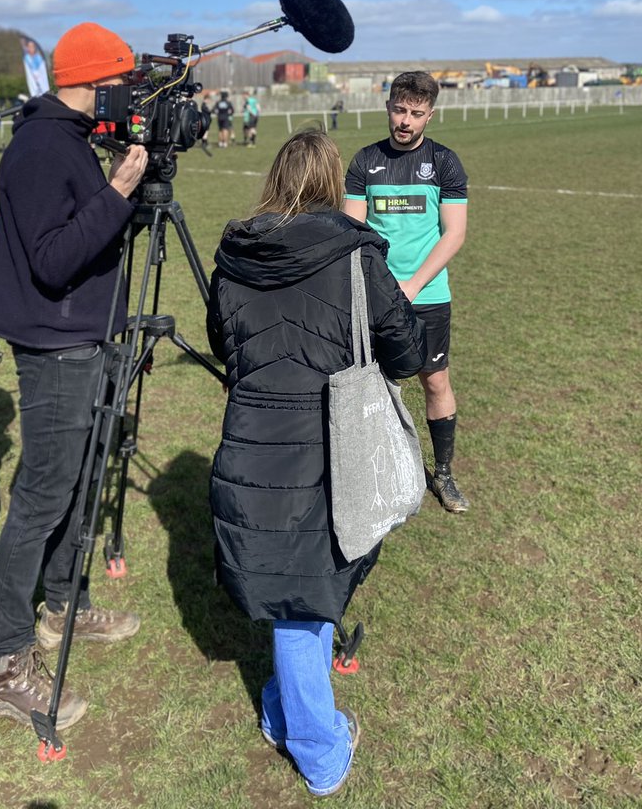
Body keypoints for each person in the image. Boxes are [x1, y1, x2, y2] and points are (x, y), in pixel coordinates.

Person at [207, 128, 426, 798]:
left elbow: (225, 342)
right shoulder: (356, 257)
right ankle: (319, 749)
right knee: (303, 597)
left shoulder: (233, 256)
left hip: (251, 439)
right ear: (334, 182)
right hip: (322, 450)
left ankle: (284, 704)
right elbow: (406, 351)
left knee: (291, 581)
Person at [0, 21, 148, 732]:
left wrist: (126, 190)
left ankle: (62, 605)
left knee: (78, 481)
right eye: (124, 82)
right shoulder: (44, 146)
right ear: (96, 81)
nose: (131, 96)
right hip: (56, 348)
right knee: (45, 495)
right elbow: (53, 259)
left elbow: (94, 236)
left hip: (84, 334)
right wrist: (119, 189)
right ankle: (4, 664)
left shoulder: (71, 139)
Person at [343, 70, 470, 512]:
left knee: (435, 381)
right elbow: (354, 230)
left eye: (416, 114)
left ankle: (444, 475)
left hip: (428, 295)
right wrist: (380, 285)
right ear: (388, 107)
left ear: (430, 116)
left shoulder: (445, 163)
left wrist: (413, 284)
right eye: (400, 110)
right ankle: (372, 474)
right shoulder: (364, 161)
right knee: (371, 385)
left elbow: (453, 234)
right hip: (375, 297)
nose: (406, 121)